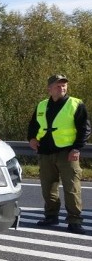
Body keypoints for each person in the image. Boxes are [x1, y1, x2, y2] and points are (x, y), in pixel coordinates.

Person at [27, 74, 90, 234]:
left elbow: (85, 128)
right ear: (49, 89)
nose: (62, 87)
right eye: (58, 85)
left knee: (72, 188)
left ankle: (75, 221)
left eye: (64, 85)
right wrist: (31, 138)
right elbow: (33, 125)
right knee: (48, 188)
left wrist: (77, 148)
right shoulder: (42, 105)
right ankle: (51, 216)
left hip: (67, 152)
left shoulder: (75, 104)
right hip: (45, 152)